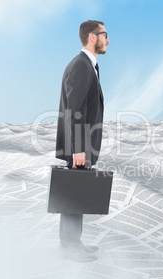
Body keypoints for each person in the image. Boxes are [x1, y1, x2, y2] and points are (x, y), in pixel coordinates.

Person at [55, 20, 109, 262]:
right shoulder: (80, 66)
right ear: (92, 36)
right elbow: (75, 110)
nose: (108, 39)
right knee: (72, 196)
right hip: (78, 147)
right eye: (105, 34)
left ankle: (73, 242)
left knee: (76, 195)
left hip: (82, 145)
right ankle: (68, 247)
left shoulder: (88, 65)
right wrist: (78, 148)